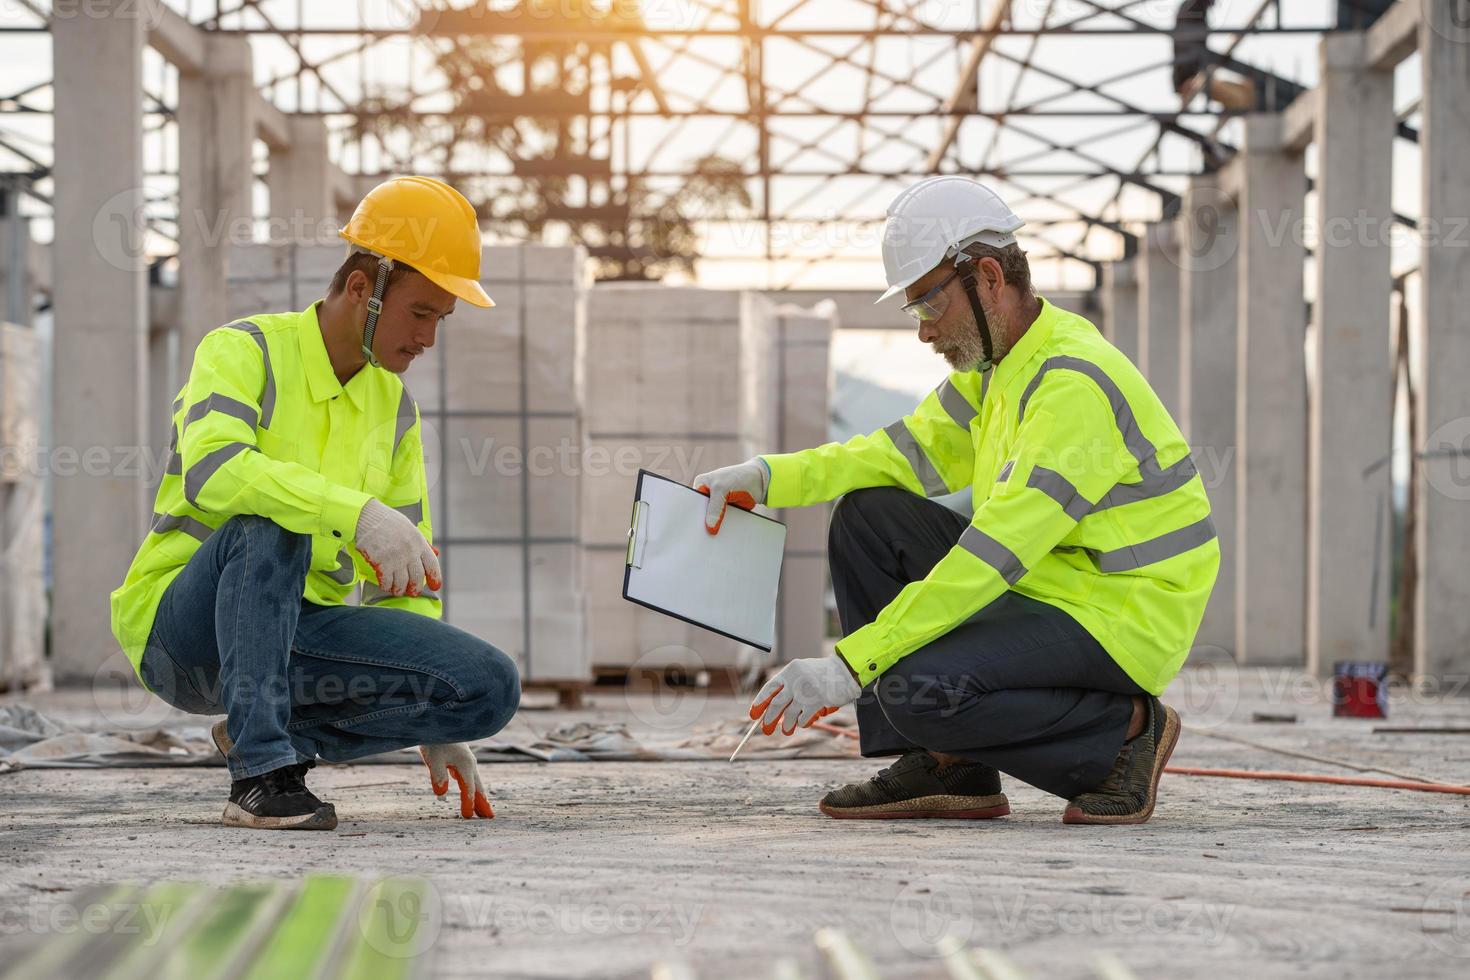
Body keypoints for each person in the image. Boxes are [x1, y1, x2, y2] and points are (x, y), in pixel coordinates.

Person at [694, 176, 1218, 825]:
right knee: (867, 517)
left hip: (1123, 611)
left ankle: (1124, 735)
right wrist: (766, 476)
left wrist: (850, 666)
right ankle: (948, 765)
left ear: (989, 278)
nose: (923, 333)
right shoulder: (998, 369)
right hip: (1054, 587)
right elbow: (897, 454)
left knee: (910, 688)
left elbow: (990, 559)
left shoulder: (1070, 388)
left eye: (928, 307)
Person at [110, 176, 520, 830]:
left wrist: (436, 714)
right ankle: (260, 776)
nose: (428, 340)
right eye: (420, 313)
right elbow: (214, 471)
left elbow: (407, 574)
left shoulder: (395, 412)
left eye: (441, 320)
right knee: (271, 517)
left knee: (488, 685)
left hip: (295, 639)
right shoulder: (243, 351)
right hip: (186, 638)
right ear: (363, 289)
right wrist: (352, 512)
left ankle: (265, 732)